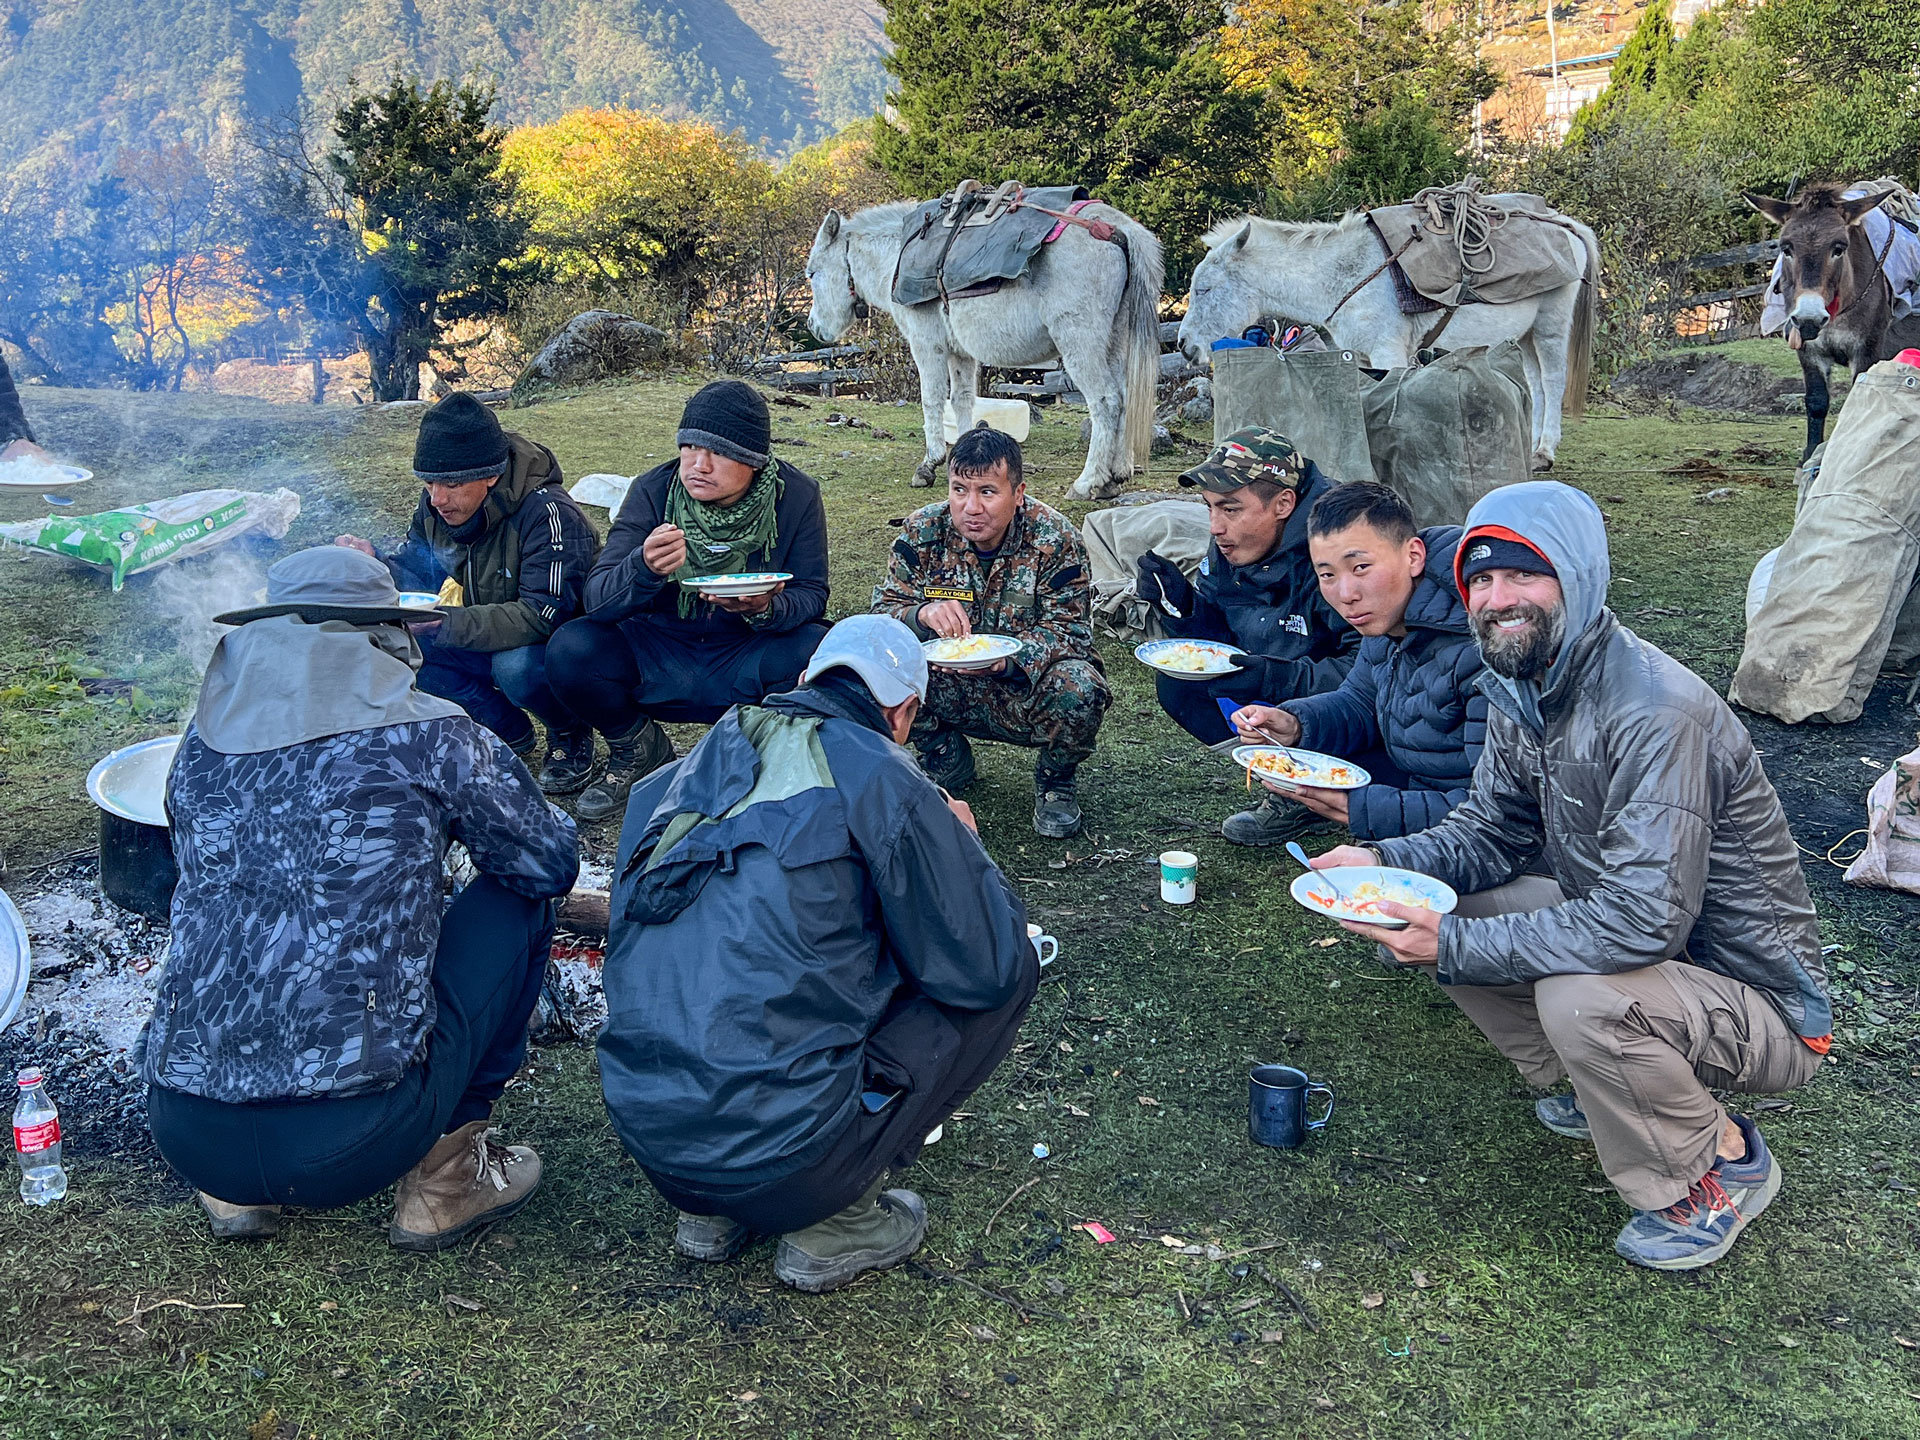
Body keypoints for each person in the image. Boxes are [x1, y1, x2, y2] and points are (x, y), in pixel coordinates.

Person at [1312, 481, 1832, 1271]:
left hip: (1763, 1001)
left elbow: (1641, 922)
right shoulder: (1528, 688)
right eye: (1480, 580)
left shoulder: (1653, 711)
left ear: (1578, 576)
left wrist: (1453, 945)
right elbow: (1489, 832)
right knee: (1440, 904)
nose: (1497, 597)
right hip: (1660, 955)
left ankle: (1710, 1169)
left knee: (1576, 993)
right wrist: (1385, 864)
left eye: (1524, 574)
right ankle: (1597, 1096)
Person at [138, 546, 579, 1250]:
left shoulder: (200, 744)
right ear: (386, 633)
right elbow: (546, 864)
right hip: (351, 1142)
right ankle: (448, 1179)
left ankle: (234, 1195)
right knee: (517, 898)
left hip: (184, 1131)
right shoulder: (433, 734)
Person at [597, 615, 1038, 1293]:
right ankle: (834, 1221)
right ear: (904, 712)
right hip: (788, 1157)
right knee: (1009, 966)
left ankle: (707, 1211)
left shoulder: (674, 777)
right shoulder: (883, 776)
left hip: (653, 1142)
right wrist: (965, 848)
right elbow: (984, 965)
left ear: (805, 682)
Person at [547, 381, 830, 822]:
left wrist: (767, 608)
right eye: (690, 447)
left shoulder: (795, 495)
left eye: (718, 452)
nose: (699, 464)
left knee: (821, 652)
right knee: (571, 648)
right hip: (661, 647)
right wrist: (644, 568)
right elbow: (598, 599)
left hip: (745, 651)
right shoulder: (652, 491)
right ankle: (636, 749)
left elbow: (812, 592)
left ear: (754, 460)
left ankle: (758, 756)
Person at [334, 392, 602, 794]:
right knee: (396, 647)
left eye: (452, 485)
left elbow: (543, 615)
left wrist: (444, 622)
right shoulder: (437, 507)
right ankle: (504, 727)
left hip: (562, 650)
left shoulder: (547, 514)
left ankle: (569, 732)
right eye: (429, 484)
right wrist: (375, 564)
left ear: (490, 476)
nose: (438, 499)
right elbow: (418, 573)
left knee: (513, 667)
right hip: (483, 628)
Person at [872, 424, 1110, 838]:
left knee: (1081, 688)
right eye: (959, 489)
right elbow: (882, 614)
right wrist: (922, 614)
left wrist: (1009, 660)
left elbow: (1070, 631)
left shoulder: (1056, 539)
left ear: (1017, 494)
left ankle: (1055, 780)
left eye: (987, 491)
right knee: (875, 665)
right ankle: (943, 752)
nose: (971, 507)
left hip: (1022, 689)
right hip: (943, 686)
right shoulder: (921, 532)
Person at [1134, 426, 1359, 845]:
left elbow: (1371, 671)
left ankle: (1342, 787)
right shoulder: (1230, 547)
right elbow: (1217, 640)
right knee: (1180, 686)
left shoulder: (1339, 547)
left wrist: (1270, 678)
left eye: (1230, 509)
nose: (1216, 527)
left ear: (1283, 503)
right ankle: (1290, 788)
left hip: (1351, 708)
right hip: (1278, 678)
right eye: (1209, 508)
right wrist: (1181, 609)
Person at [1227, 482, 1485, 843]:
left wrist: (1365, 810)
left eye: (1361, 567)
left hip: (1481, 823)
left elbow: (1497, 809)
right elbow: (1361, 701)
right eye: (1327, 575)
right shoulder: (1387, 618)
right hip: (1419, 780)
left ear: (1413, 556)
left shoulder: (1481, 642)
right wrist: (1295, 724)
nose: (1346, 595)